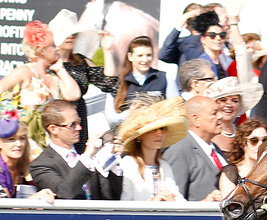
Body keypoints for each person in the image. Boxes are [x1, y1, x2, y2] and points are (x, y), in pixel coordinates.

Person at [0, 21, 81, 151]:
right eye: (53, 46)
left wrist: (60, 69)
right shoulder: (24, 72)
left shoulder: (54, 76)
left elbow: (73, 95)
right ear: (42, 50)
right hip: (27, 143)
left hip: (51, 142)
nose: (58, 49)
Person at [49, 9, 118, 153]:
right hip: (57, 122)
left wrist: (107, 50)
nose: (71, 37)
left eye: (74, 34)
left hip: (79, 120)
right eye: (66, 34)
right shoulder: (48, 64)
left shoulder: (81, 61)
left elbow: (109, 83)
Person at [29, 99, 122, 200]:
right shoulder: (40, 165)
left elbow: (109, 196)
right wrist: (87, 157)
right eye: (72, 124)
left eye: (79, 122)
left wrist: (115, 161)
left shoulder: (84, 158)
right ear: (53, 129)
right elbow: (65, 193)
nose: (79, 128)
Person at [116, 96, 188, 201]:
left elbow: (178, 197)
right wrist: (153, 202)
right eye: (153, 129)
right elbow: (125, 203)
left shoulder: (164, 165)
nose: (159, 133)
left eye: (162, 129)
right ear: (140, 135)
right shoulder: (128, 163)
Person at [164, 96, 227, 201]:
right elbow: (174, 200)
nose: (220, 116)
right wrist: (205, 203)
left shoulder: (216, 149)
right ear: (196, 120)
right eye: (214, 113)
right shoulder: (180, 150)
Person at [106, 36, 173, 126]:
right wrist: (130, 113)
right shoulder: (117, 82)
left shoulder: (164, 77)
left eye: (148, 55)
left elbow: (175, 110)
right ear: (130, 56)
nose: (145, 60)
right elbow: (110, 118)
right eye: (140, 56)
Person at [0, 100, 55, 201]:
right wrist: (32, 199)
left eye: (22, 138)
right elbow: (4, 211)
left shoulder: (25, 165)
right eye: (11, 140)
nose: (18, 144)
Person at [205, 77, 264, 157]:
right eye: (223, 100)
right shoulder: (208, 134)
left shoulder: (245, 134)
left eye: (235, 101)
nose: (229, 105)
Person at [218, 118, 267, 197]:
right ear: (242, 143)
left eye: (265, 140)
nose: (260, 145)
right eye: (254, 140)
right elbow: (230, 205)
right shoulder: (230, 172)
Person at [193, 11, 230, 79]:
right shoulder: (201, 64)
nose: (218, 38)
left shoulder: (224, 62)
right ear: (203, 40)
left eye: (222, 35)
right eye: (212, 35)